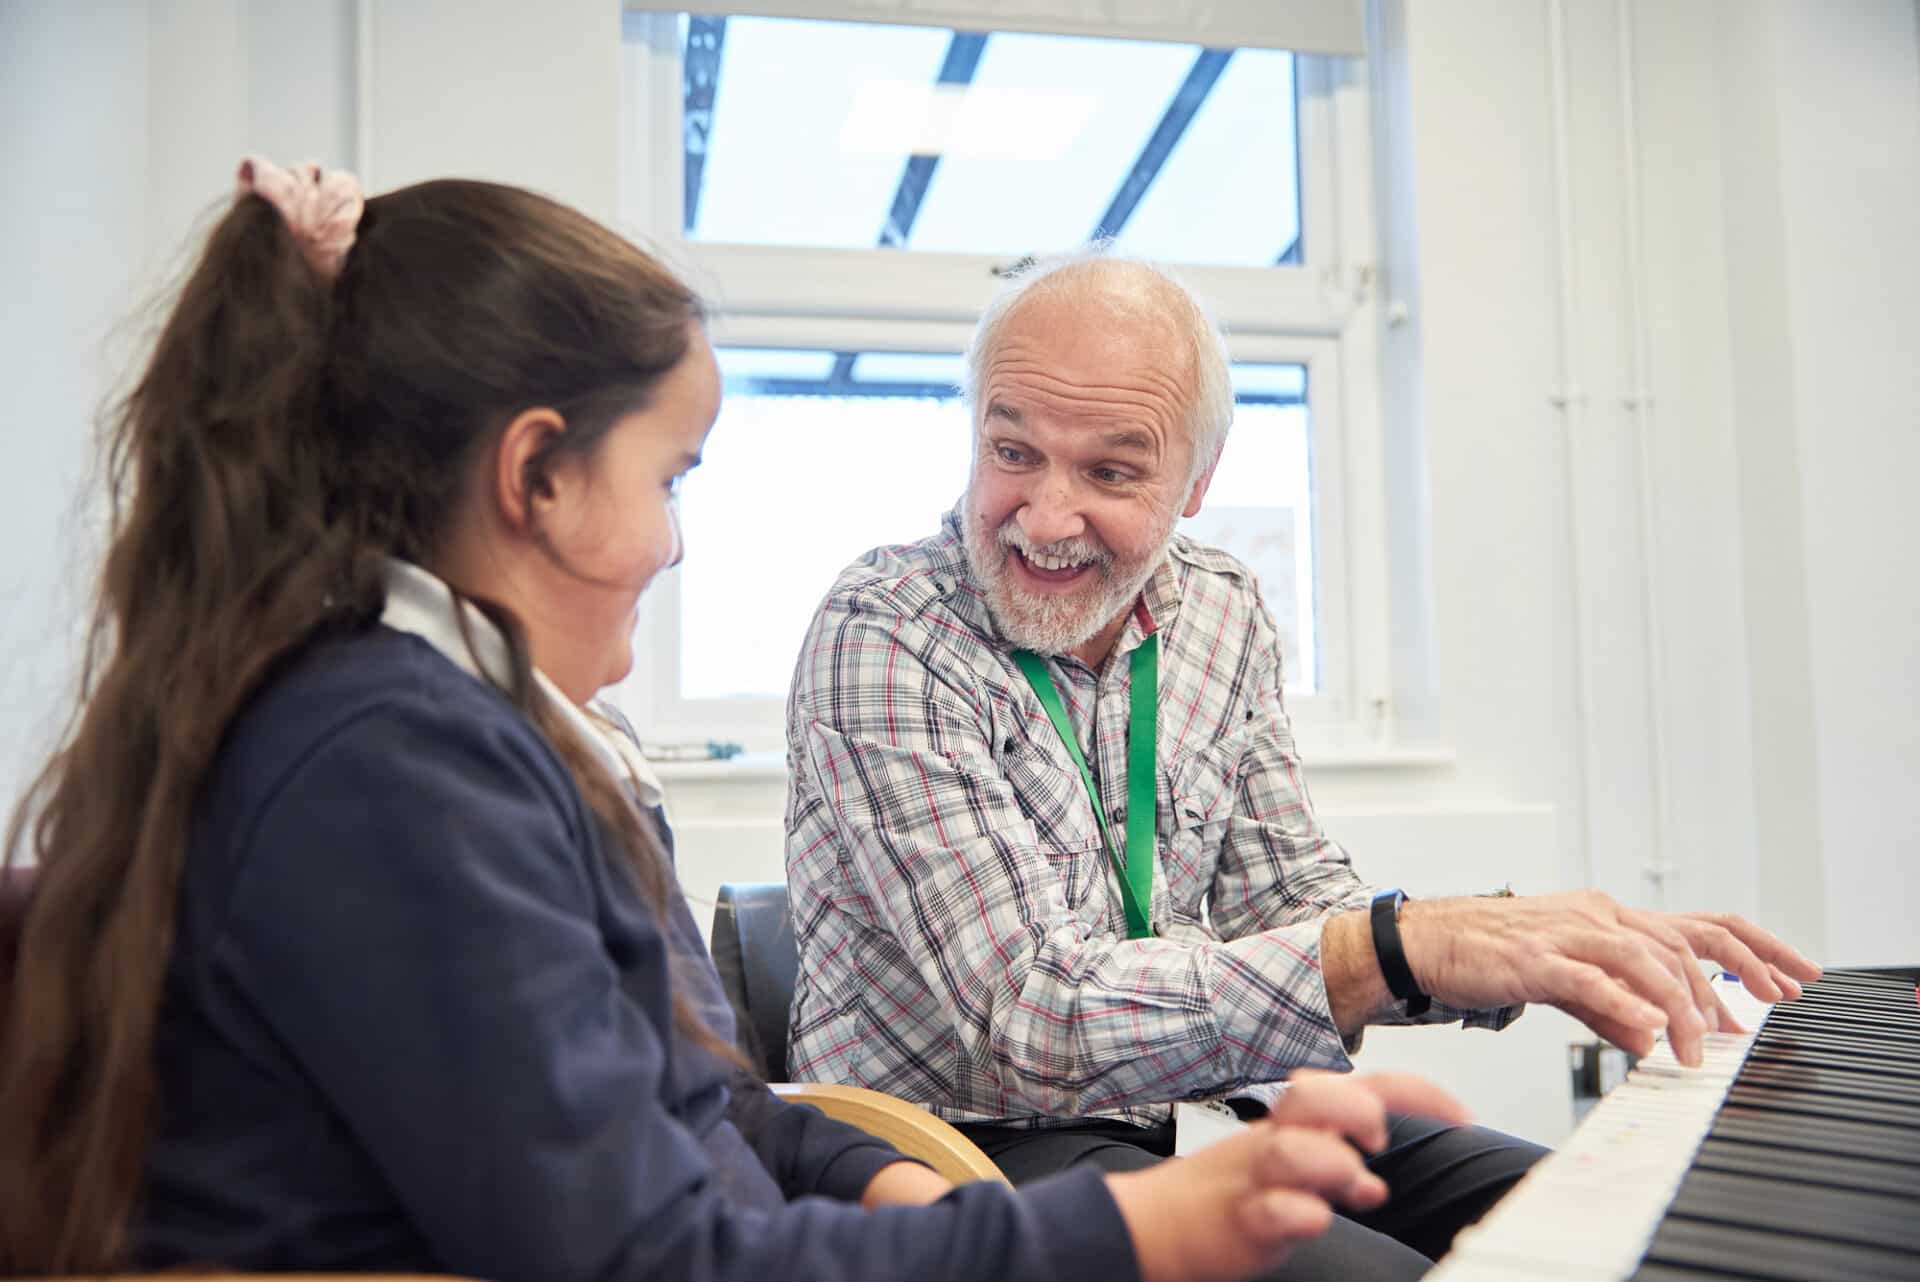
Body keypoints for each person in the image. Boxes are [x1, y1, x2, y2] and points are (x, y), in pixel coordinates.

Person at [0, 162, 1471, 1282]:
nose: (677, 542)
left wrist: (884, 1175)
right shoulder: (388, 766)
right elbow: (657, 1255)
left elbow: (708, 1101)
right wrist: (1119, 1227)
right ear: (538, 478)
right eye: (674, 477)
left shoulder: (479, 738)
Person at [782, 251, 1825, 1280]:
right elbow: (1030, 1017)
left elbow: (1287, 895)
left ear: (1198, 482)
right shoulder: (885, 631)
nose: (1046, 516)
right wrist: (1403, 947)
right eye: (1012, 452)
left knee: (1611, 1226)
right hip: (974, 1147)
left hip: (1198, 1108)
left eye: (1110, 470)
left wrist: (1522, 939)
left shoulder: (1221, 609)